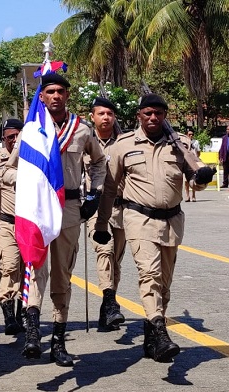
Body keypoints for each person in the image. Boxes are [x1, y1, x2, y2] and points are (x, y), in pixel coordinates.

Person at [92, 93, 212, 363]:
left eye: (158, 113)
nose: (153, 118)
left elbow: (195, 178)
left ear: (165, 115)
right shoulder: (123, 145)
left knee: (164, 284)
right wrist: (101, 225)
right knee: (150, 273)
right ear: (139, 116)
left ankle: (151, 335)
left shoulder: (180, 145)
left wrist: (203, 179)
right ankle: (160, 330)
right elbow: (110, 189)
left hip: (172, 220)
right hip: (137, 218)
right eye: (148, 113)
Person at [9, 74, 106, 366]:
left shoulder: (82, 130)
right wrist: (26, 184)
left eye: (60, 91)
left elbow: (100, 162)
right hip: (38, 208)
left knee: (63, 274)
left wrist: (96, 194)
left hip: (70, 208)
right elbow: (8, 170)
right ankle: (32, 331)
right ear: (41, 97)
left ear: (67, 95)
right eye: (49, 91)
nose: (55, 96)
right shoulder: (31, 131)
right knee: (35, 266)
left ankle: (59, 339)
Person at [86, 97, 126, 332]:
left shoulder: (124, 143)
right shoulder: (84, 140)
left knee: (116, 261)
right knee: (105, 250)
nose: (106, 117)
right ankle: (110, 302)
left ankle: (107, 306)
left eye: (110, 113)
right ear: (93, 116)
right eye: (101, 113)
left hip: (121, 208)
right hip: (96, 206)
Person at [0, 118, 25, 335]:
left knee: (27, 271)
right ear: (3, 138)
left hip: (30, 226)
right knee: (9, 267)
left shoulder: (33, 158)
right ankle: (9, 316)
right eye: (9, 137)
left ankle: (23, 313)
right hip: (6, 223)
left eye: (17, 136)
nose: (13, 140)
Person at [184, 129, 201, 202]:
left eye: (192, 134)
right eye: (189, 134)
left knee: (194, 179)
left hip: (193, 163)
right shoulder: (184, 142)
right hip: (186, 163)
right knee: (186, 181)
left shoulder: (196, 142)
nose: (191, 136)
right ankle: (187, 196)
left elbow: (198, 152)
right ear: (186, 135)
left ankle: (193, 195)